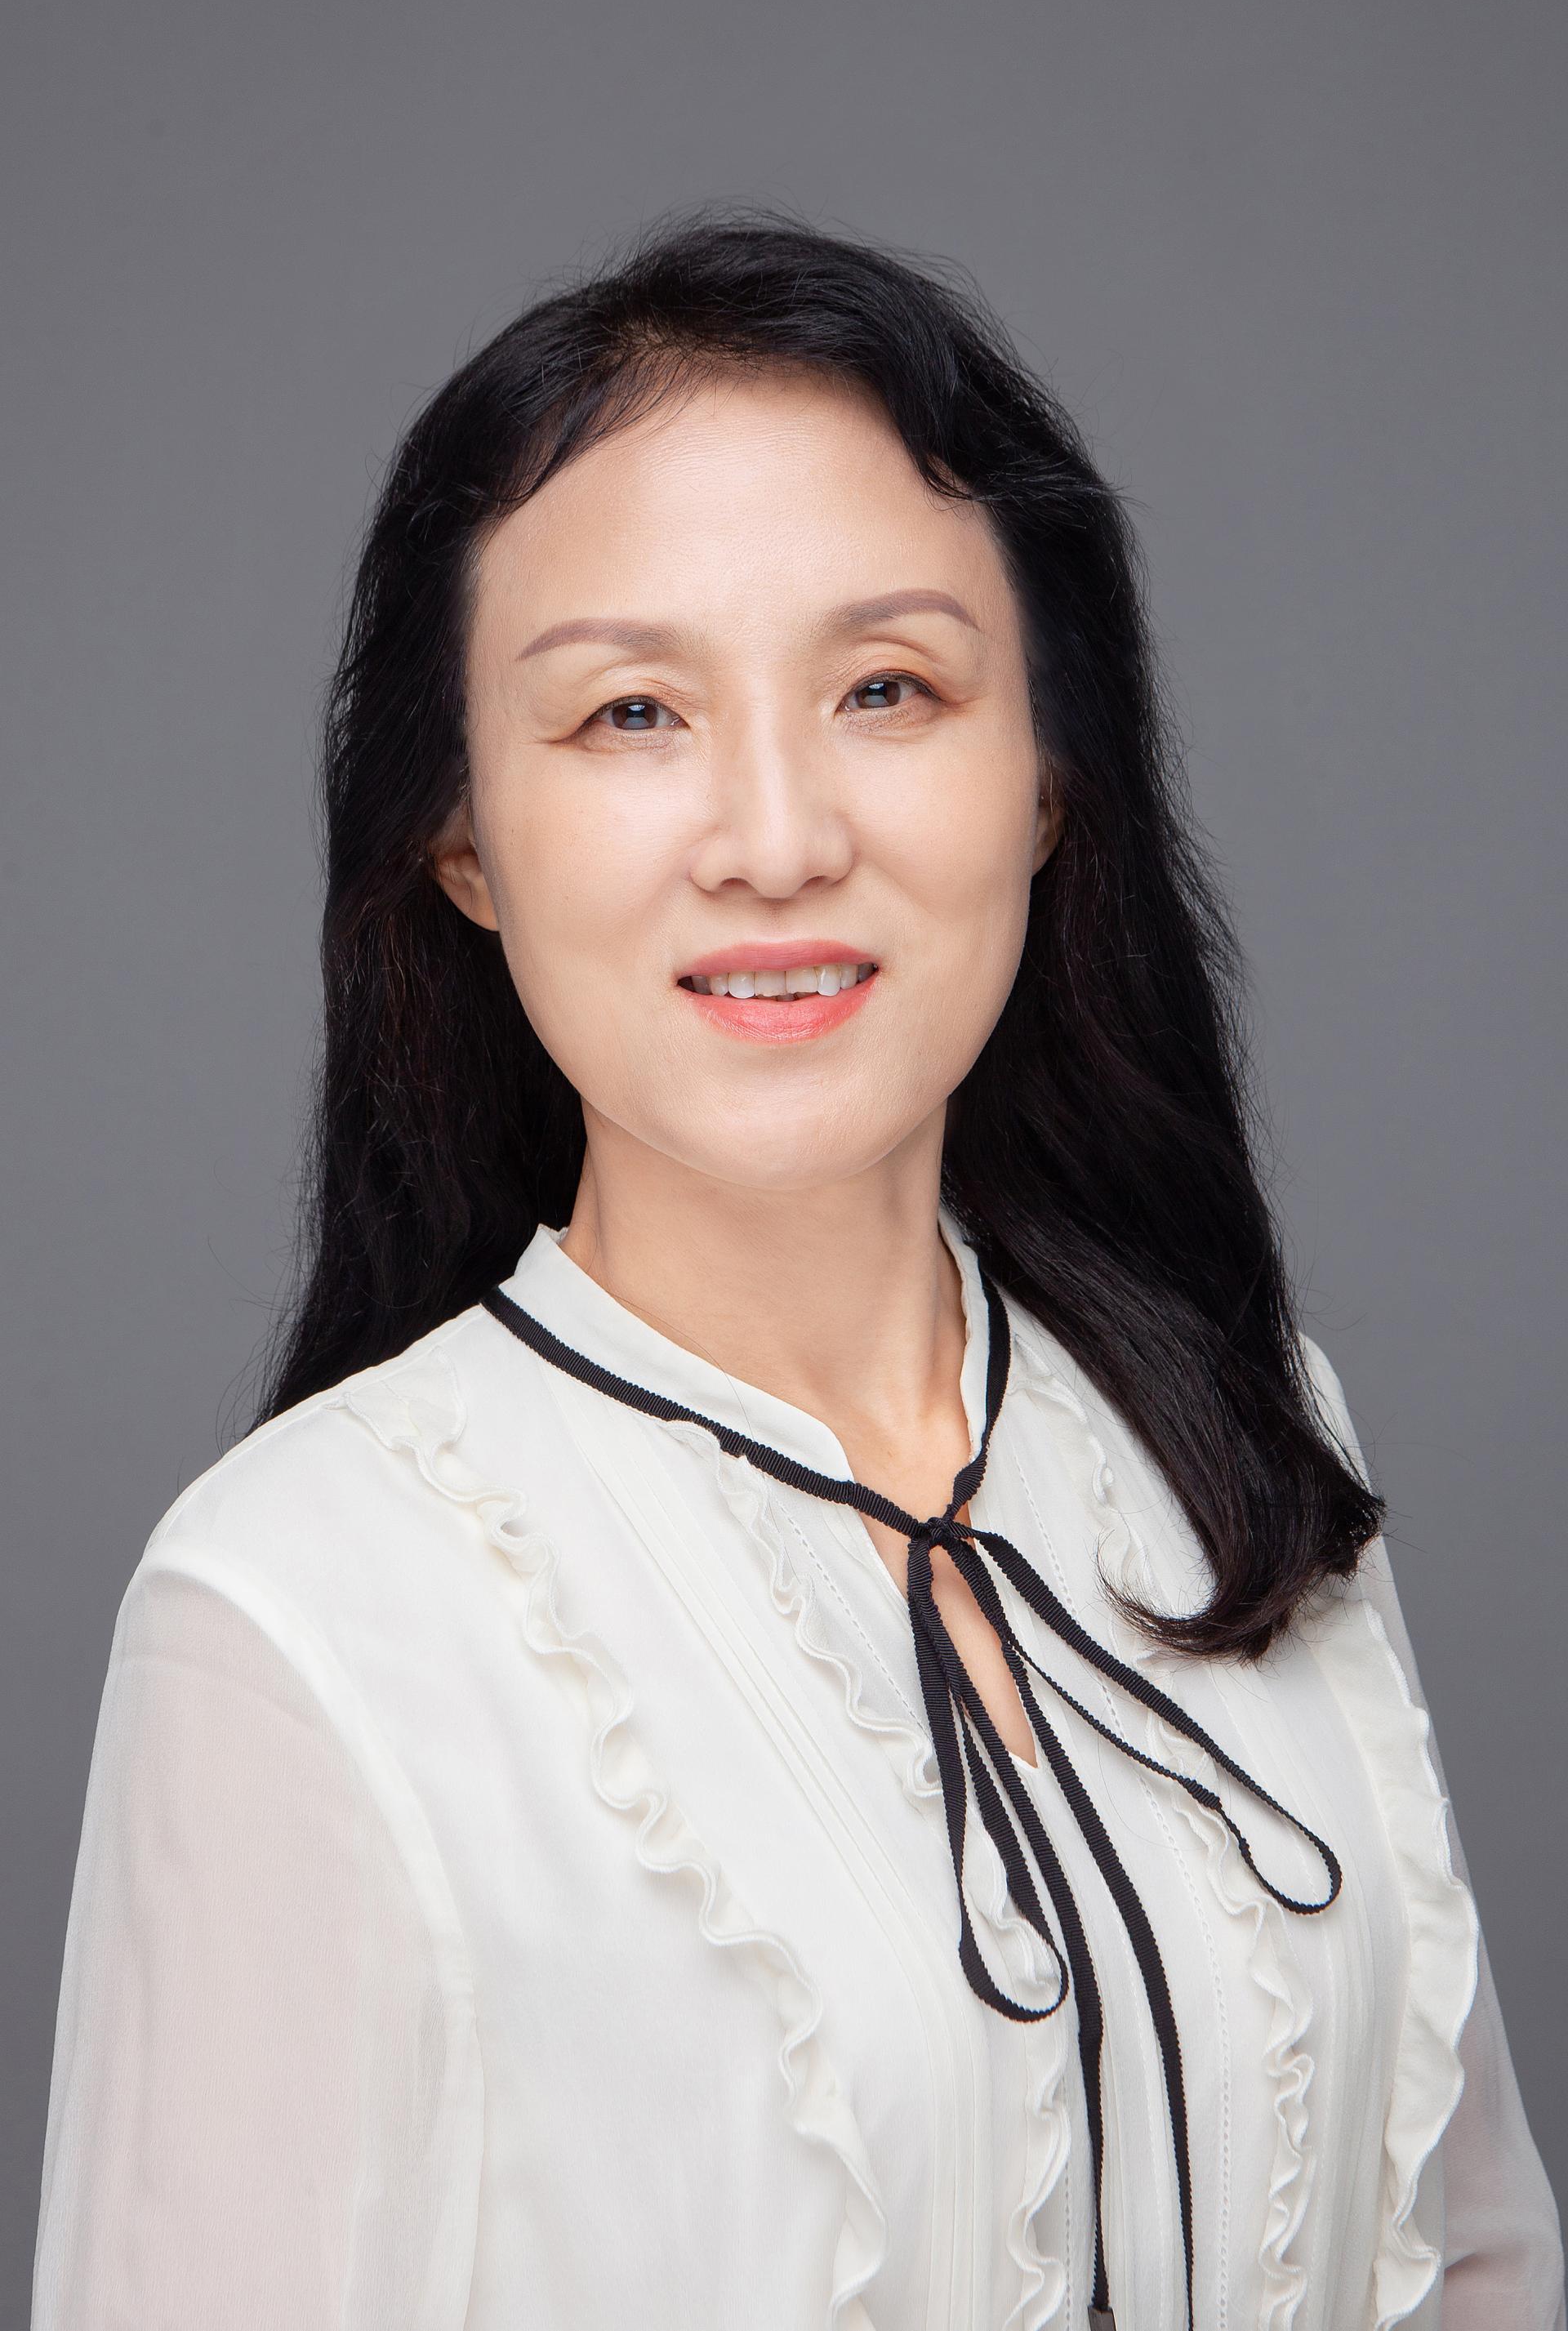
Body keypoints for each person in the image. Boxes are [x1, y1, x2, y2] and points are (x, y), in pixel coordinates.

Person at [30, 211, 1563, 2331]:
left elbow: (1476, 2257)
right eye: (632, 712)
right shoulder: (296, 1609)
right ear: (463, 836)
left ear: (1049, 779)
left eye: (885, 689)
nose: (775, 836)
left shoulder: (1244, 1423)